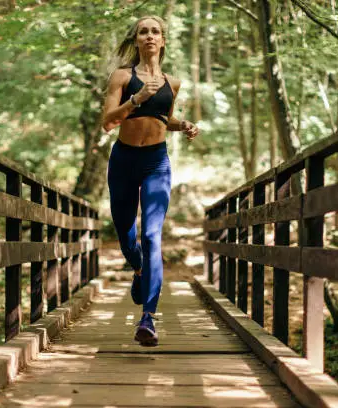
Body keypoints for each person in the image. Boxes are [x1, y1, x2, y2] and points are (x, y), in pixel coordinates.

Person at [101, 15, 199, 346]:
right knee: (128, 237)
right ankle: (140, 269)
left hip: (157, 161)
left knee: (153, 235)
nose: (150, 36)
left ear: (163, 40)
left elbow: (164, 119)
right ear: (137, 39)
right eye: (144, 31)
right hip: (124, 160)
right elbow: (106, 122)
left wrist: (182, 124)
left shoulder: (173, 82)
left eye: (155, 31)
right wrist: (135, 99)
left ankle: (148, 318)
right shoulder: (122, 76)